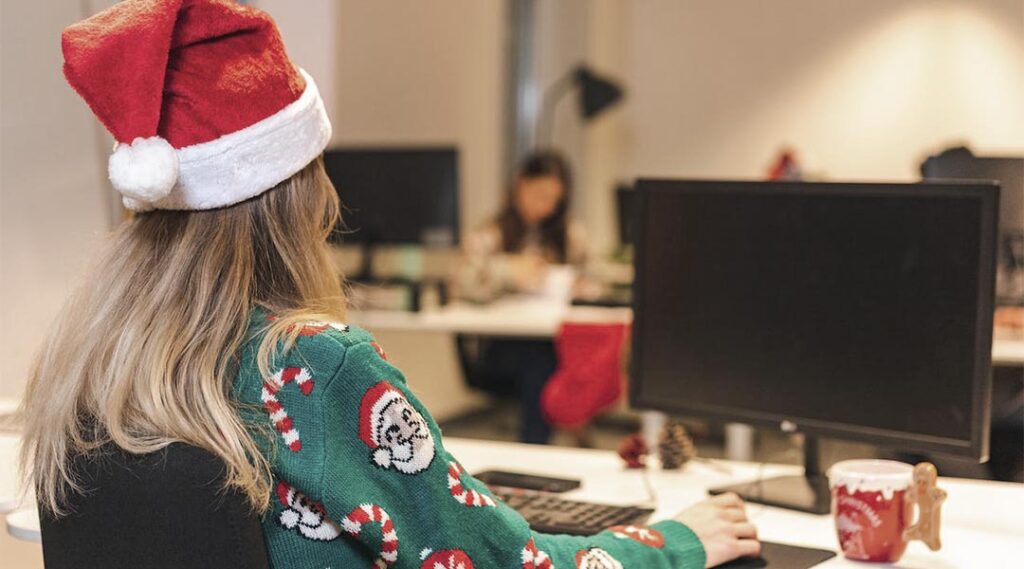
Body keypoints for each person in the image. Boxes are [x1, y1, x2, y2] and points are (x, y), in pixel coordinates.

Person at [21, 1, 760, 568]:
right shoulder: (312, 364)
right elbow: (503, 560)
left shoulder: (92, 361)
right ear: (297, 192)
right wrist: (673, 542)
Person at [457, 151, 588, 444]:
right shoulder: (491, 234)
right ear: (519, 185)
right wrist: (507, 270)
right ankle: (536, 449)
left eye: (554, 200)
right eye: (539, 195)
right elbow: (462, 283)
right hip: (505, 345)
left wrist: (577, 285)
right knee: (539, 363)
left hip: (557, 338)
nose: (546, 207)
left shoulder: (569, 235)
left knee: (558, 360)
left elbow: (594, 278)